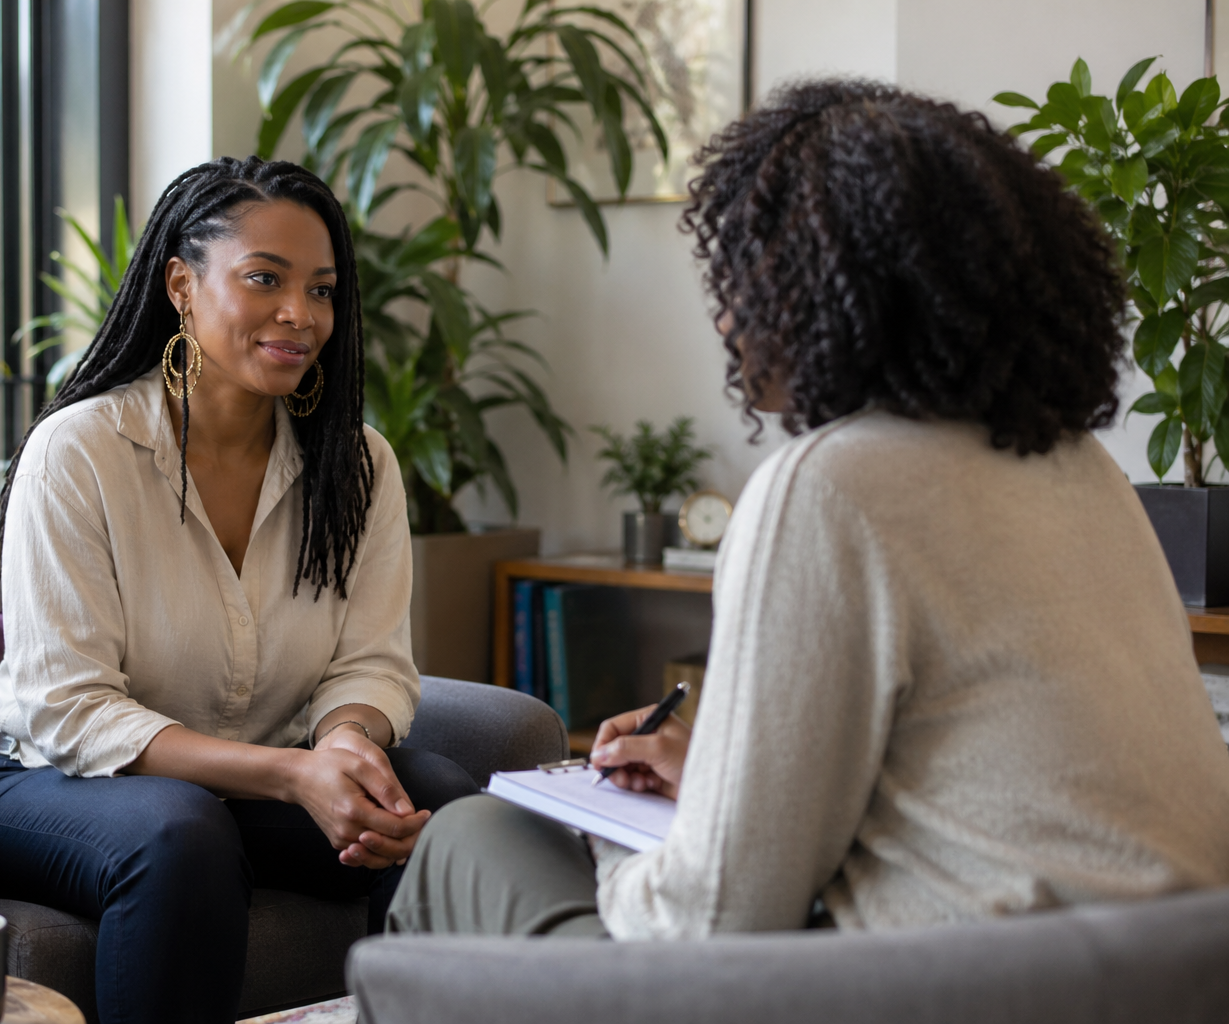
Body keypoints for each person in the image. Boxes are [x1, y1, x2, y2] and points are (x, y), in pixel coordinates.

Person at [386, 80, 1229, 941]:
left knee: (476, 833)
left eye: (753, 280)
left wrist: (603, 840)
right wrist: (719, 777)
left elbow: (712, 919)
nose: (725, 316)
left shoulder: (829, 485)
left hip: (951, 993)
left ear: (850, 291)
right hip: (1163, 977)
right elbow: (966, 785)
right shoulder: (1082, 468)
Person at [0, 156, 478, 1024]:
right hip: (51, 779)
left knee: (443, 810)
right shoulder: (78, 451)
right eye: (264, 280)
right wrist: (292, 774)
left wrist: (347, 743)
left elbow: (373, 664)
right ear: (182, 286)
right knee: (181, 834)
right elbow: (72, 709)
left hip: (251, 779)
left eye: (321, 290)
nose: (299, 315)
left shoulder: (358, 465)